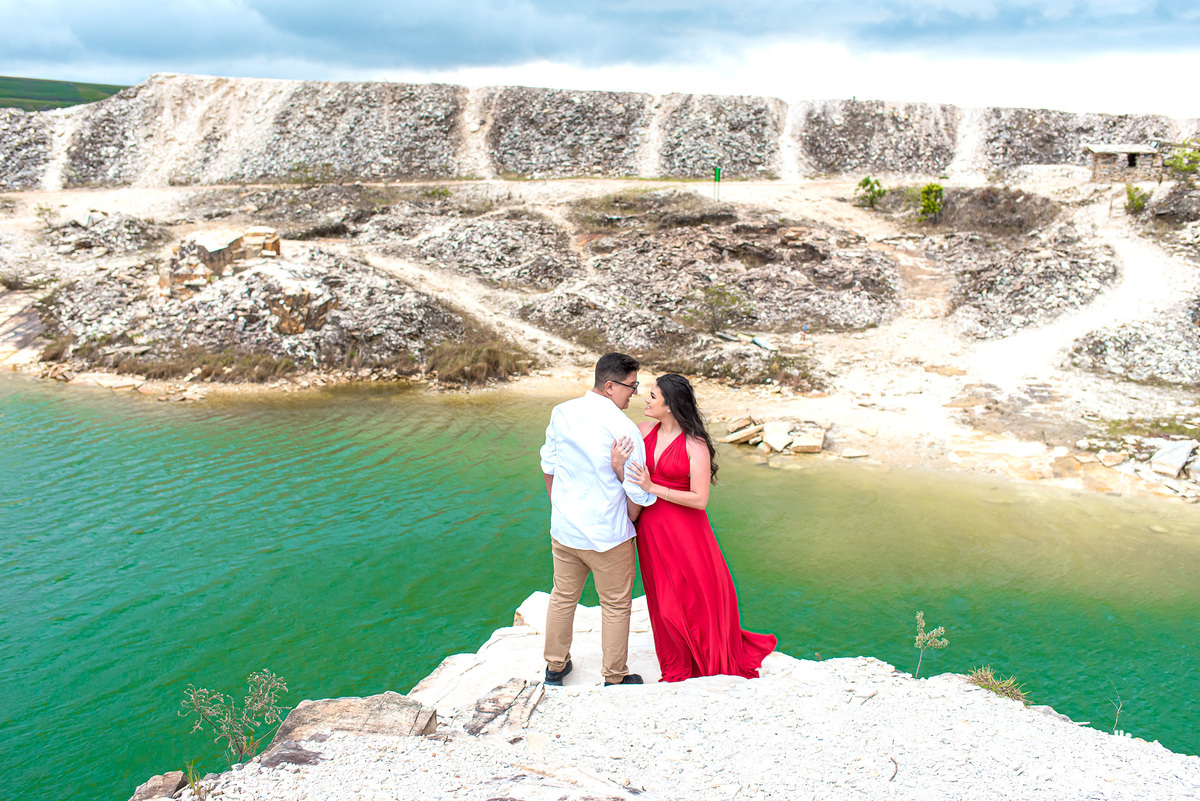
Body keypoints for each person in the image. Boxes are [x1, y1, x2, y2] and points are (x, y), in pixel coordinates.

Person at [613, 373, 776, 682]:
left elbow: (700, 499)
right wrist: (618, 466)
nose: (645, 399)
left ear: (671, 405)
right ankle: (677, 661)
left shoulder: (694, 443)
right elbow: (626, 471)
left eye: (652, 396)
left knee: (694, 594)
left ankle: (705, 655)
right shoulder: (643, 430)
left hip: (686, 531)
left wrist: (653, 486)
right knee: (663, 601)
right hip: (651, 530)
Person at [539, 353, 657, 687]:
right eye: (631, 387)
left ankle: (555, 667)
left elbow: (548, 466)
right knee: (616, 606)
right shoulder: (624, 429)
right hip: (609, 534)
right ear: (610, 386)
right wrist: (632, 521)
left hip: (565, 530)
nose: (634, 394)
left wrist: (558, 507)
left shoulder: (562, 413)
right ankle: (615, 676)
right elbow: (639, 493)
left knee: (562, 597)